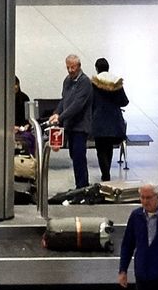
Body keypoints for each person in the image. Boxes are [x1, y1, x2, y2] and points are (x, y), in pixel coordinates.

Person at [48, 54, 94, 189]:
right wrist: (56, 112)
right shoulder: (67, 81)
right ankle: (79, 184)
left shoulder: (85, 82)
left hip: (81, 126)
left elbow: (77, 104)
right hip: (70, 126)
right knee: (74, 156)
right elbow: (64, 100)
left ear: (79, 66)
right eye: (68, 67)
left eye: (73, 67)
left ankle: (82, 186)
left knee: (79, 156)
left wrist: (60, 117)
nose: (70, 70)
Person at [90, 58, 129, 184]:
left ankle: (105, 174)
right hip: (114, 120)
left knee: (100, 149)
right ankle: (106, 173)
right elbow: (124, 101)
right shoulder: (116, 83)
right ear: (108, 67)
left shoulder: (93, 83)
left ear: (97, 68)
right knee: (109, 148)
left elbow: (89, 101)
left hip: (98, 120)